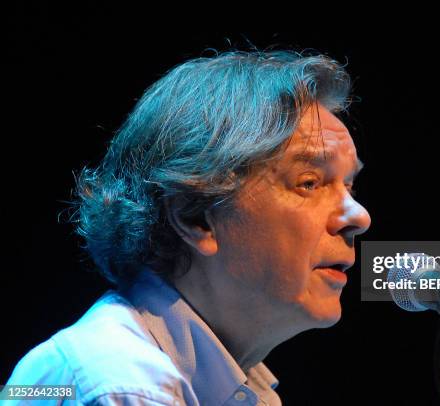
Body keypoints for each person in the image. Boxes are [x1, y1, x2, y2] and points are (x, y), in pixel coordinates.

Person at [4, 50, 371, 405]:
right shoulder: (119, 385)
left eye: (349, 186)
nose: (359, 217)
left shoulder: (239, 390)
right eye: (309, 182)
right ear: (197, 217)